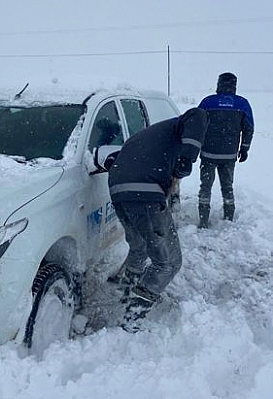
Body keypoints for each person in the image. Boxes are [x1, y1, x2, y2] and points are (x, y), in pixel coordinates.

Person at [107, 108, 208, 331]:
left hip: (119, 193)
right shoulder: (193, 119)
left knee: (139, 247)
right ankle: (132, 318)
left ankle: (129, 290)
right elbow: (197, 116)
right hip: (144, 194)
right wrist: (188, 157)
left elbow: (116, 159)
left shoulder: (150, 134)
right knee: (168, 262)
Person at [197, 72, 254, 228]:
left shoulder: (207, 102)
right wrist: (244, 148)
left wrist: (196, 146)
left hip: (208, 153)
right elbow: (249, 128)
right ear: (234, 85)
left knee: (205, 186)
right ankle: (228, 217)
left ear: (218, 84)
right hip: (229, 155)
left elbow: (196, 124)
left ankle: (203, 220)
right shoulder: (242, 104)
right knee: (227, 186)